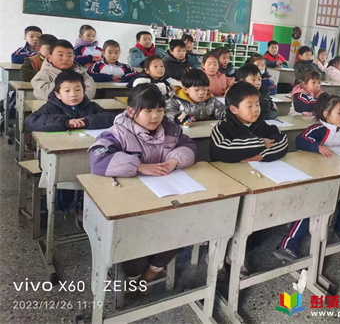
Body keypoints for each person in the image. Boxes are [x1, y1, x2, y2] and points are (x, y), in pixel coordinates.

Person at [90, 83, 197, 291]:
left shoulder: (171, 130)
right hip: (132, 203)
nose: (155, 116)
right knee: (135, 241)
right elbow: (98, 160)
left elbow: (190, 146)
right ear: (131, 112)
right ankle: (134, 277)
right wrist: (139, 166)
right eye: (148, 111)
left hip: (166, 196)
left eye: (159, 110)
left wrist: (174, 160)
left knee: (180, 228)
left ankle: (152, 272)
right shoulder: (117, 133)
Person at [275, 94, 340, 261]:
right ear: (326, 114)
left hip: (338, 172)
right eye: (339, 113)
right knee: (312, 205)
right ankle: (288, 244)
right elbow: (302, 139)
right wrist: (316, 146)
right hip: (317, 176)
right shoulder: (318, 129)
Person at [209, 82, 288, 163]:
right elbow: (221, 150)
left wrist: (262, 155)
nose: (255, 110)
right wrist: (259, 143)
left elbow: (282, 141)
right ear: (234, 109)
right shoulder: (222, 128)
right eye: (249, 106)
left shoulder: (261, 125)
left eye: (257, 104)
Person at [26, 71, 115, 132]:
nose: (73, 94)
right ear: (58, 94)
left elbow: (111, 118)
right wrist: (66, 122)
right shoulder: (51, 107)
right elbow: (31, 120)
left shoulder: (91, 106)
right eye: (67, 91)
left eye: (77, 90)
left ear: (84, 90)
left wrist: (87, 122)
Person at [31, 39, 96, 100]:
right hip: (53, 108)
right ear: (50, 57)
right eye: (61, 55)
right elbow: (44, 93)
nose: (65, 59)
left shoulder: (81, 73)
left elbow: (90, 92)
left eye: (69, 56)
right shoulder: (43, 74)